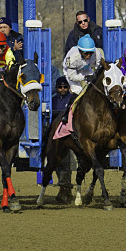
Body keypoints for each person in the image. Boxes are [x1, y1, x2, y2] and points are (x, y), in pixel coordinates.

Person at [51, 76, 73, 204]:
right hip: (56, 135)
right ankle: (63, 189)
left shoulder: (72, 99)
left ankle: (66, 190)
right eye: (60, 87)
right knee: (57, 163)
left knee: (66, 162)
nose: (63, 89)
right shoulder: (52, 100)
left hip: (69, 135)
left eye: (65, 87)